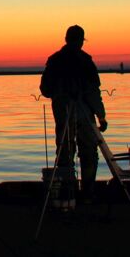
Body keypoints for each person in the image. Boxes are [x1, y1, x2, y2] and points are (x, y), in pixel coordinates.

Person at [39, 24, 108, 203]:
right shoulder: (86, 61)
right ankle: (86, 193)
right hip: (82, 113)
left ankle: (67, 193)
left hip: (63, 112)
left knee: (65, 153)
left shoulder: (54, 60)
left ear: (66, 39)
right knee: (87, 152)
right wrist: (101, 116)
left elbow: (45, 90)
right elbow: (94, 92)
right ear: (80, 41)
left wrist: (59, 94)